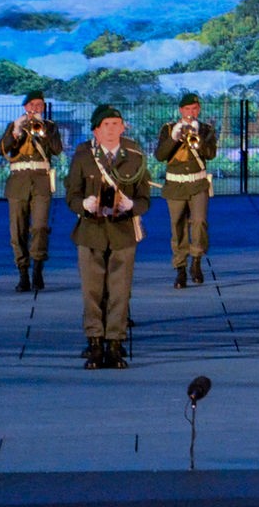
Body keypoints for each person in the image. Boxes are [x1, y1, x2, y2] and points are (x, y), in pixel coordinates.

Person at [66, 105, 150, 369]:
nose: (113, 130)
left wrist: (131, 206)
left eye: (117, 124)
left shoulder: (134, 156)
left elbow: (145, 198)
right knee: (92, 291)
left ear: (124, 127)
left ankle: (114, 343)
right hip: (91, 231)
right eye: (107, 125)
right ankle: (95, 342)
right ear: (96, 130)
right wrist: (84, 205)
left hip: (122, 232)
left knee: (119, 292)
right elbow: (72, 195)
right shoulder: (83, 156)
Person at [0, 88, 62, 293]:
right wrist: (16, 130)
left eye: (39, 105)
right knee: (17, 230)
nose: (35, 109)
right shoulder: (14, 125)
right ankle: (23, 272)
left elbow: (57, 150)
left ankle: (38, 269)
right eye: (32, 105)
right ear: (25, 107)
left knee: (40, 227)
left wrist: (44, 131)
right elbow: (2, 150)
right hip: (18, 182)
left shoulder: (50, 126)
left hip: (41, 181)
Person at [155, 92, 218, 290]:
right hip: (175, 185)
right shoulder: (168, 129)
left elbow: (211, 154)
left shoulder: (206, 129)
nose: (191, 113)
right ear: (181, 110)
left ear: (198, 110)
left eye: (194, 109)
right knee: (177, 226)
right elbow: (160, 155)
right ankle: (180, 268)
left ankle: (196, 261)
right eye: (187, 109)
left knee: (199, 222)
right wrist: (174, 137)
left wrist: (199, 137)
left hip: (197, 183)